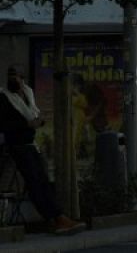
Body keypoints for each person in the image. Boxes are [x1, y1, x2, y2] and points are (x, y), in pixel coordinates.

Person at [0, 66, 84, 236]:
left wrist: (38, 122)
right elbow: (4, 125)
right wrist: (27, 125)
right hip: (17, 145)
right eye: (11, 77)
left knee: (43, 180)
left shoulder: (27, 94)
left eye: (16, 77)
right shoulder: (4, 98)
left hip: (30, 144)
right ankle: (57, 217)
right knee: (35, 182)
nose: (13, 80)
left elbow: (33, 115)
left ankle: (56, 218)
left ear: (22, 79)